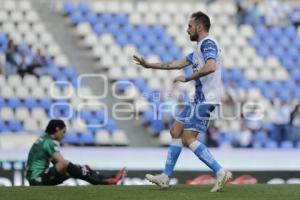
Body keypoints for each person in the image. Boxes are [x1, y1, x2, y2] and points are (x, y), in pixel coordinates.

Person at [133, 11, 232, 192]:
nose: (187, 30)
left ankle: (220, 171)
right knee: (175, 130)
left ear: (199, 27)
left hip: (206, 100)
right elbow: (176, 64)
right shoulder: (198, 48)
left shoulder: (208, 44)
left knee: (188, 138)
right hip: (197, 99)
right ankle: (164, 177)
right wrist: (149, 65)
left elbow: (210, 66)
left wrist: (187, 78)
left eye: (190, 26)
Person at [25, 119, 126, 186]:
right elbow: (62, 163)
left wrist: (77, 169)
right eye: (63, 132)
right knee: (69, 164)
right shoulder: (50, 142)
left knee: (79, 168)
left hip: (38, 177)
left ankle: (109, 179)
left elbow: (56, 164)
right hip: (37, 178)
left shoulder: (44, 138)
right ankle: (98, 182)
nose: (64, 135)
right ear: (57, 129)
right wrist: (76, 169)